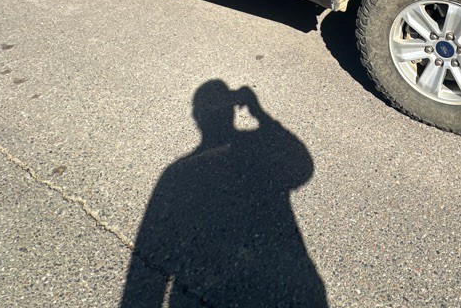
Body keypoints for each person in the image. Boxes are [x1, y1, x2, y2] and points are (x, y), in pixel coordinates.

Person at [120, 80, 327, 307]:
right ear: (232, 112)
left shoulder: (176, 174)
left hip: (205, 289)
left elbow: (148, 258)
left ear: (197, 118)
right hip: (286, 285)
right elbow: (303, 166)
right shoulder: (256, 146)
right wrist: (260, 114)